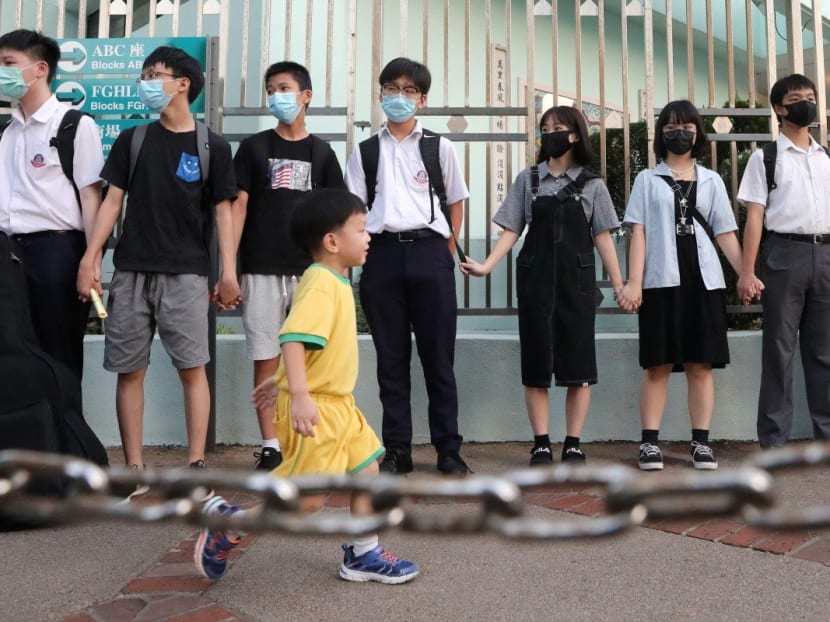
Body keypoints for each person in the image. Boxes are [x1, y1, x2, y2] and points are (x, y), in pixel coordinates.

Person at [195, 188, 419, 585]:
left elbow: (307, 347)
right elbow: (293, 338)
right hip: (318, 409)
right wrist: (297, 395)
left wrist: (279, 382)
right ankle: (230, 524)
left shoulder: (332, 280)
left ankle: (364, 554)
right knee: (306, 500)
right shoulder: (320, 283)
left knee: (367, 469)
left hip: (339, 407)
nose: (369, 237)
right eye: (362, 230)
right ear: (332, 241)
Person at [77, 46, 239, 479]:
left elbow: (224, 210)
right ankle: (134, 468)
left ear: (183, 84)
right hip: (130, 271)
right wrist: (91, 257)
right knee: (129, 371)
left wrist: (227, 271)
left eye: (156, 74)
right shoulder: (135, 139)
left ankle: (196, 464)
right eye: (144, 75)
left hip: (187, 273)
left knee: (192, 369)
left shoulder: (211, 146)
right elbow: (113, 200)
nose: (147, 83)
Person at [461, 106, 626, 466]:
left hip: (577, 284)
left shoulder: (593, 184)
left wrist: (619, 284)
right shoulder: (528, 179)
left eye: (558, 127)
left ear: (576, 135)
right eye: (544, 127)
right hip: (535, 281)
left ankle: (573, 443)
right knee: (536, 365)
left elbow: (603, 238)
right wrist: (486, 266)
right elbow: (511, 230)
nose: (549, 133)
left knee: (578, 367)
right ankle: (540, 443)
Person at [344, 57, 470, 476]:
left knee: (439, 360)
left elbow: (456, 201)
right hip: (381, 257)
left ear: (423, 99)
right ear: (380, 94)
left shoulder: (439, 147)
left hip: (430, 254)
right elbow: (354, 211)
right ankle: (397, 449)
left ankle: (448, 450)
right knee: (390, 362)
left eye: (408, 90)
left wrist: (446, 250)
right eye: (391, 88)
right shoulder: (364, 152)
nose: (399, 97)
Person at [620, 99, 749, 471]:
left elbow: (725, 232)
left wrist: (744, 273)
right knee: (657, 365)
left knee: (700, 364)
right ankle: (649, 443)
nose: (681, 132)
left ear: (698, 133)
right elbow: (638, 233)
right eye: (673, 126)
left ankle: (702, 442)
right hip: (660, 280)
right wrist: (634, 282)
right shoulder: (647, 179)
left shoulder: (711, 180)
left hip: (703, 279)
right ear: (662, 133)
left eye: (688, 126)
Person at [231, 61, 345, 472]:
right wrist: (229, 268)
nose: (276, 95)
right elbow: (237, 209)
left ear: (305, 96)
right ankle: (270, 445)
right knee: (266, 359)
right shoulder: (254, 148)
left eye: (284, 87)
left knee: (312, 360)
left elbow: (338, 219)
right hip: (261, 268)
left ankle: (311, 443)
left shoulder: (323, 153)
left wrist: (339, 277)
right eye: (270, 89)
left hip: (310, 275)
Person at [0, 29, 104, 381]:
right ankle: (30, 435)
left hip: (56, 252)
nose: (2, 72)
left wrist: (91, 261)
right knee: (14, 353)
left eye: (8, 63)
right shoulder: (7, 132)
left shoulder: (75, 125)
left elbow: (92, 199)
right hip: (8, 252)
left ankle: (64, 433)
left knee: (59, 352)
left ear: (40, 68)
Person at [737, 74, 830, 448]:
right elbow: (755, 217)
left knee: (824, 352)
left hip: (825, 254)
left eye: (810, 96)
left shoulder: (826, 158)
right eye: (796, 97)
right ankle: (774, 443)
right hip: (784, 255)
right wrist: (747, 272)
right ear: (779, 107)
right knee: (779, 350)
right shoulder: (765, 159)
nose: (805, 103)